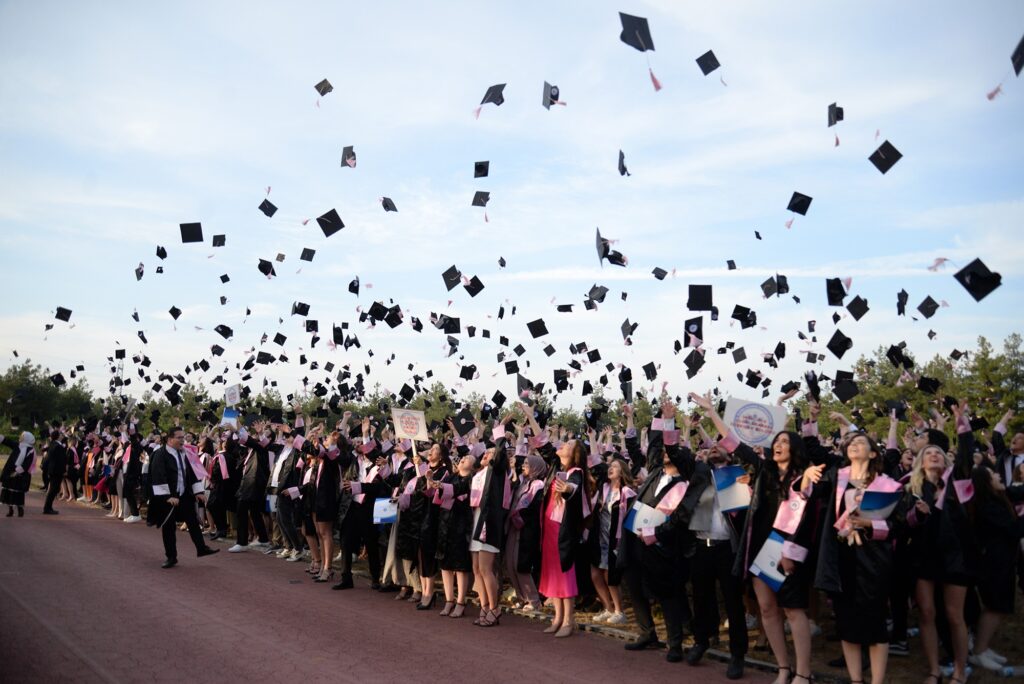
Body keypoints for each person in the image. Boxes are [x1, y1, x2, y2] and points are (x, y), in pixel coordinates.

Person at [802, 430, 907, 684]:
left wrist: (871, 525)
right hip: (840, 558)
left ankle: (877, 681)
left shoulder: (888, 484)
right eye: (850, 443)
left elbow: (900, 525)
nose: (853, 445)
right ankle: (856, 680)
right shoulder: (836, 477)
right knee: (846, 624)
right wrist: (806, 477)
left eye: (861, 442)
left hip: (874, 560)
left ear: (873, 453)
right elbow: (808, 496)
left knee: (875, 624)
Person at [906, 402, 977, 684]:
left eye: (937, 452)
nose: (934, 454)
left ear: (944, 460)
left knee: (954, 615)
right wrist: (916, 515)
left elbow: (966, 454)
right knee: (926, 612)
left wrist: (962, 423)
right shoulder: (912, 489)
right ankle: (934, 670)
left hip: (954, 557)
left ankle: (960, 670)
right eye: (928, 453)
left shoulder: (956, 482)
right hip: (924, 557)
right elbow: (904, 522)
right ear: (922, 462)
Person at [620, 399, 693, 661]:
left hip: (662, 546)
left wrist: (672, 423)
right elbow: (651, 445)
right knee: (635, 587)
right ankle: (647, 632)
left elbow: (677, 521)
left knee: (667, 594)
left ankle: (675, 643)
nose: (664, 453)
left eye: (669, 452)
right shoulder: (654, 472)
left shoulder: (684, 485)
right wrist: (662, 419)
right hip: (635, 538)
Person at [966, 464, 1022, 671]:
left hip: (1002, 562)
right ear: (985, 482)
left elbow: (1016, 491)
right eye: (993, 474)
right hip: (993, 565)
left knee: (997, 607)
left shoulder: (996, 498)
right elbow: (1013, 529)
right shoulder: (987, 505)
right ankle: (979, 651)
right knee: (996, 607)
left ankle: (983, 647)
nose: (999, 476)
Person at [146, 426, 219, 568]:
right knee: (169, 528)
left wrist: (198, 491)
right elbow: (158, 475)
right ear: (170, 439)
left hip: (184, 494)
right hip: (169, 497)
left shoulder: (184, 453)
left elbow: (191, 473)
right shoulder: (160, 454)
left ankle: (201, 548)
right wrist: (167, 496)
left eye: (183, 437)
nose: (182, 440)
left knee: (192, 521)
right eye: (179, 438)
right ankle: (171, 557)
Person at [505, 451, 547, 612]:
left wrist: (520, 517)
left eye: (527, 464)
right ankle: (522, 597)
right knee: (510, 563)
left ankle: (534, 600)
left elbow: (534, 509)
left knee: (520, 565)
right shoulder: (522, 482)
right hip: (514, 527)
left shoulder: (539, 485)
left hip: (526, 530)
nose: (523, 466)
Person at [228, 422, 272, 552]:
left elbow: (249, 440)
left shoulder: (263, 448)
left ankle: (242, 542)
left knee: (241, 509)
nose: (258, 435)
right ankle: (263, 539)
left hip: (253, 484)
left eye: (265, 434)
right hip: (249, 483)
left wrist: (239, 427)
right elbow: (240, 444)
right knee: (254, 512)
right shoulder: (251, 450)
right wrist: (235, 430)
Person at [0, 431, 36, 517]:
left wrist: (17, 472)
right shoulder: (18, 445)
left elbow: (27, 464)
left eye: (22, 436)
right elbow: (7, 441)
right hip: (10, 472)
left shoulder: (30, 451)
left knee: (18, 493)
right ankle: (10, 510)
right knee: (8, 491)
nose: (20, 437)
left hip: (20, 475)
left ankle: (20, 509)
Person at [42, 429, 67, 514]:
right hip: (56, 471)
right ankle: (47, 508)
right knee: (53, 489)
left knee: (54, 489)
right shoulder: (57, 446)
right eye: (60, 434)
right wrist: (63, 470)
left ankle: (48, 507)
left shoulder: (53, 444)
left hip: (53, 470)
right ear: (58, 436)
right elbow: (60, 460)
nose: (62, 435)